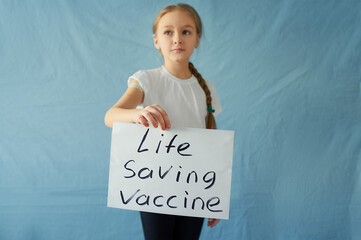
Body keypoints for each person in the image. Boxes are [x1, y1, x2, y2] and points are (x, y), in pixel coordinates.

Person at [104, 3, 222, 240]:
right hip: (155, 188)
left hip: (193, 189)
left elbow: (212, 143)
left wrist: (214, 194)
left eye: (186, 32)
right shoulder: (146, 80)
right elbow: (111, 115)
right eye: (168, 32)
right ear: (156, 40)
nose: (177, 38)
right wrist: (138, 114)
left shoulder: (206, 88)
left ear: (197, 39)